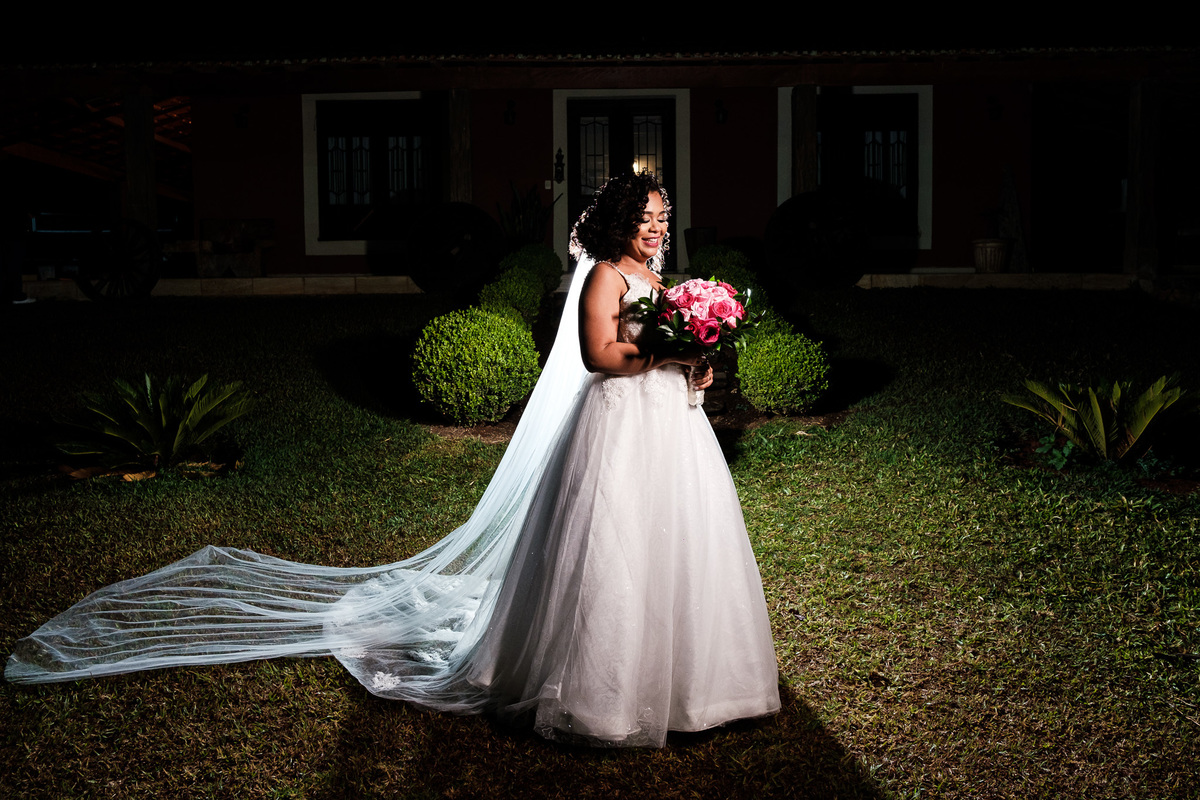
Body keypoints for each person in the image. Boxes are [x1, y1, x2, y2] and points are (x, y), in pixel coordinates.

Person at [6, 173, 779, 748]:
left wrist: (696, 360)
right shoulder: (605, 277)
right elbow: (599, 353)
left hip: (670, 431)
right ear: (618, 223)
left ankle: (692, 684)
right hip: (616, 429)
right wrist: (665, 351)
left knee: (677, 544)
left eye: (663, 219)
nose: (656, 229)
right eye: (645, 219)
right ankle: (603, 692)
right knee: (612, 552)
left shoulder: (662, 280)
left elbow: (665, 345)